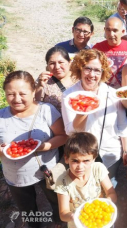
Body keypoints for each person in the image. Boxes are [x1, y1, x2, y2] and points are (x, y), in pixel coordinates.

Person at [0, 71, 68, 228]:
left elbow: (63, 135)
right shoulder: (1, 116)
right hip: (15, 175)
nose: (16, 99)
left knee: (55, 199)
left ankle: (59, 222)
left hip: (47, 171)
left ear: (33, 91)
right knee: (27, 208)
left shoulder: (47, 110)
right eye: (10, 94)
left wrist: (44, 146)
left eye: (22, 93)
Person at [61, 49, 127, 188]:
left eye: (97, 70)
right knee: (86, 189)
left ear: (103, 72)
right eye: (87, 69)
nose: (92, 75)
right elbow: (71, 131)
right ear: (80, 69)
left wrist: (126, 150)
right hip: (83, 157)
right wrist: (83, 109)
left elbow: (122, 125)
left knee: (109, 187)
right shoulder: (69, 96)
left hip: (110, 153)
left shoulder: (112, 94)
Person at [55, 132, 117, 227]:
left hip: (101, 221)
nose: (80, 167)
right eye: (75, 161)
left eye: (86, 161)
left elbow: (111, 193)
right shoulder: (62, 182)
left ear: (93, 159)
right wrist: (75, 216)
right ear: (66, 159)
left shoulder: (98, 169)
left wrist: (105, 205)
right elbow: (63, 213)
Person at [93, 17, 127, 89]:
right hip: (103, 92)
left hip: (125, 92)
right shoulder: (97, 48)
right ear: (104, 30)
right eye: (108, 30)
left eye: (115, 30)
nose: (111, 34)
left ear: (122, 32)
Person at [35, 46, 76, 112]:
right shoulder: (43, 80)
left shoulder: (80, 78)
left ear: (69, 62)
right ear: (47, 66)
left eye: (61, 62)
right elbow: (35, 106)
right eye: (52, 63)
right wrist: (39, 86)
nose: (57, 67)